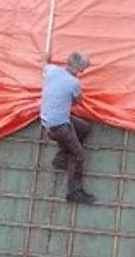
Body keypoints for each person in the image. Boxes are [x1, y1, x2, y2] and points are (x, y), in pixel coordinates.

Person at [40, 51, 96, 205]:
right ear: (76, 67)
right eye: (82, 69)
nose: (82, 72)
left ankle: (62, 158)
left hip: (48, 121)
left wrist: (46, 55)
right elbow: (77, 101)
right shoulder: (73, 83)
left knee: (84, 128)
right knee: (78, 155)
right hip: (59, 127)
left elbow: (44, 61)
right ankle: (74, 192)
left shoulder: (51, 70)